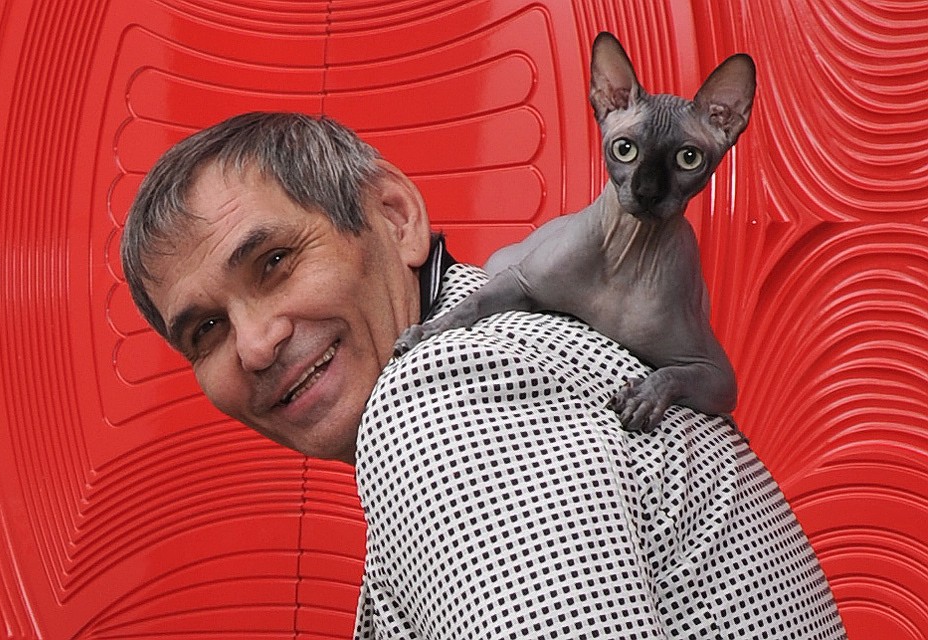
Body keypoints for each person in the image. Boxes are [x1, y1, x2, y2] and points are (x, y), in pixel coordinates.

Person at [122, 111, 847, 638]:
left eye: (275, 262)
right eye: (206, 330)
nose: (254, 344)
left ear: (395, 217)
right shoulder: (528, 344)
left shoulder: (439, 404)